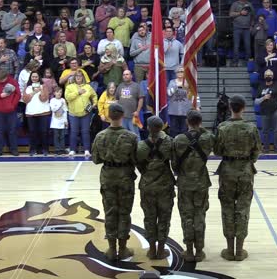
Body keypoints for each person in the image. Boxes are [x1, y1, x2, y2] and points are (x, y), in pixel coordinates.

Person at [214, 95, 261, 261]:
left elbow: (217, 150)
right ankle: (240, 250)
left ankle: (229, 249)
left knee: (227, 208)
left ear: (229, 108)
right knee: (243, 209)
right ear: (244, 108)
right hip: (246, 171)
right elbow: (257, 151)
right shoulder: (251, 128)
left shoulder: (222, 127)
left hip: (227, 171)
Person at [91, 103, 138, 261]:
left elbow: (96, 160)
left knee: (110, 212)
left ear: (109, 116)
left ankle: (111, 249)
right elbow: (136, 159)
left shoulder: (100, 136)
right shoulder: (131, 137)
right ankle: (123, 249)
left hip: (108, 177)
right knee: (124, 212)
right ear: (123, 116)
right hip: (125, 176)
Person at [172, 110, 215, 262]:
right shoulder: (208, 138)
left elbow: (174, 165)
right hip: (201, 183)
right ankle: (199, 251)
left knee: (187, 217)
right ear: (200, 122)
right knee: (200, 215)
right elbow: (211, 138)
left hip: (184, 183)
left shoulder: (178, 139)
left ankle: (189, 250)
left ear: (186, 122)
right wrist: (200, 128)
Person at [136, 116, 175, 259]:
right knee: (164, 218)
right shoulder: (169, 143)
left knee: (149, 218)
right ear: (162, 128)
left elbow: (138, 165)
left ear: (147, 128)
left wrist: (148, 173)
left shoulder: (140, 146)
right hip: (165, 186)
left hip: (147, 186)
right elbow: (175, 163)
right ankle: (161, 250)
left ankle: (152, 250)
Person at [0, 69, 21, 156]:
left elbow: (18, 94)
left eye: (1, 80)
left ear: (6, 77)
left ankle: (14, 149)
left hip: (11, 111)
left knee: (12, 130)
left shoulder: (13, 81)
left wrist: (12, 105)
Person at [65, 70, 98, 157]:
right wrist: (78, 92)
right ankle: (72, 150)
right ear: (74, 78)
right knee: (74, 132)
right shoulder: (69, 87)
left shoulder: (88, 87)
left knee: (86, 132)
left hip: (86, 114)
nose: (79, 77)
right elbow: (67, 97)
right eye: (77, 76)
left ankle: (87, 150)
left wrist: (93, 104)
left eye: (80, 76)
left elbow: (94, 96)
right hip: (73, 114)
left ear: (83, 77)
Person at [23, 71, 51, 156]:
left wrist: (41, 90)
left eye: (36, 76)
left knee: (43, 132)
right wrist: (33, 92)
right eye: (33, 77)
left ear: (39, 77)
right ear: (30, 78)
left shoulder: (44, 86)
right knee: (32, 132)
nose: (34, 78)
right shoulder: (27, 87)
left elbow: (44, 99)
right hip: (31, 113)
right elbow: (25, 100)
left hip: (43, 112)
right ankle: (32, 149)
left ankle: (45, 149)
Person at [255, 69, 277, 153]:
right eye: (267, 75)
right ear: (264, 76)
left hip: (275, 112)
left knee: (276, 131)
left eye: (270, 75)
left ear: (273, 76)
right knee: (265, 131)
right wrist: (263, 98)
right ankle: (266, 148)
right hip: (264, 112)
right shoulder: (261, 86)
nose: (268, 77)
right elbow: (256, 102)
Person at [167, 66, 196, 138]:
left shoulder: (189, 82)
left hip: (185, 111)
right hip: (174, 111)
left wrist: (197, 105)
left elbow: (194, 95)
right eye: (178, 71)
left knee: (184, 131)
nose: (180, 73)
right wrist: (176, 86)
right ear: (175, 73)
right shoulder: (172, 82)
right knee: (174, 131)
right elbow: (169, 93)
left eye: (182, 71)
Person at [115, 70, 143, 138]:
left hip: (132, 116)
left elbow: (141, 99)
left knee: (135, 135)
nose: (125, 76)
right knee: (122, 136)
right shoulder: (120, 86)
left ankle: (138, 148)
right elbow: (117, 100)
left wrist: (138, 111)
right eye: (124, 75)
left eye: (127, 74)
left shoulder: (136, 86)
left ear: (131, 76)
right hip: (122, 117)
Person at [229, 0, 255, 66]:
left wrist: (252, 25)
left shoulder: (250, 4)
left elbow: (253, 16)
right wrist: (240, 13)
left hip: (247, 29)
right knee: (236, 46)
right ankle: (235, 62)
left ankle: (248, 63)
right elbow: (230, 14)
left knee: (248, 46)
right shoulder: (235, 4)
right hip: (237, 28)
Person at [49, 87, 68, 155]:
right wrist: (60, 104)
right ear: (54, 93)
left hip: (62, 122)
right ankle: (57, 149)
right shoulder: (52, 100)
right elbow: (53, 109)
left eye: (60, 92)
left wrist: (66, 121)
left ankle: (62, 149)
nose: (59, 93)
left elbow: (65, 111)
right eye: (57, 92)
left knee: (62, 136)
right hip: (55, 122)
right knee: (56, 136)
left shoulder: (63, 100)